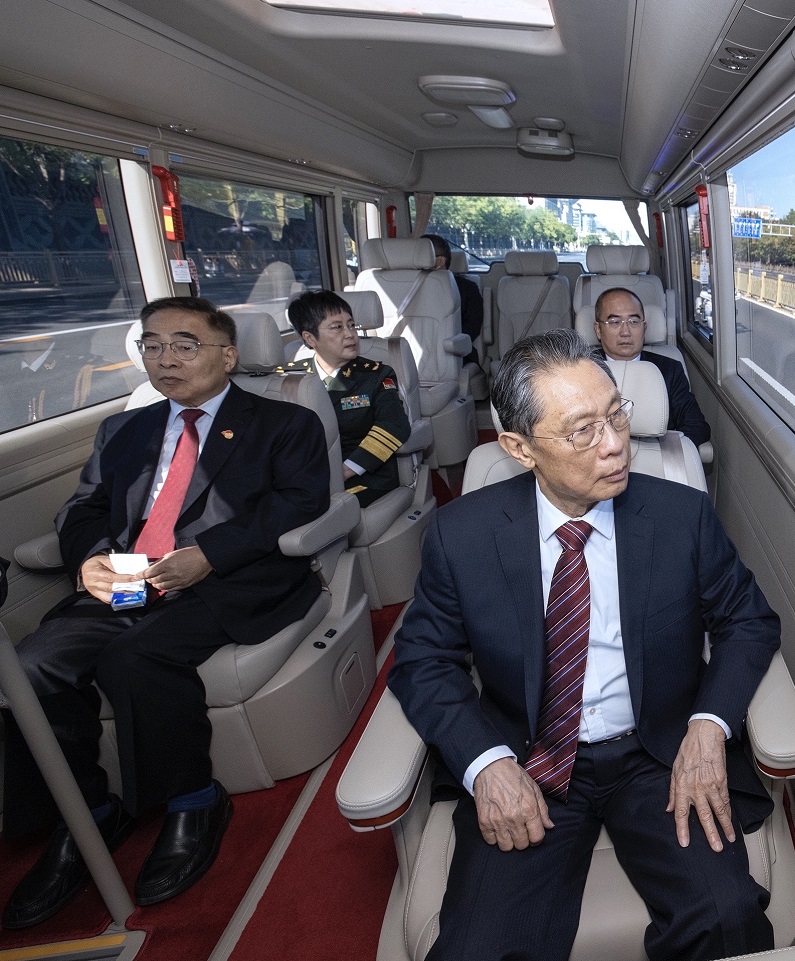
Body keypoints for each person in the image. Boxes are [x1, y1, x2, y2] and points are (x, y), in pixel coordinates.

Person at [389, 329, 778, 961]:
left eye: (616, 415)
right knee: (477, 949)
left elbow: (749, 622)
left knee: (726, 917)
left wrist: (709, 727)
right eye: (582, 431)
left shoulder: (681, 516)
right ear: (519, 448)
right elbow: (422, 659)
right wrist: (485, 762)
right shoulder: (463, 534)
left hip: (657, 754)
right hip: (529, 760)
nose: (616, 443)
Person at [2, 297, 329, 927]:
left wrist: (208, 555)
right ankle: (85, 814)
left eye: (184, 345)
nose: (165, 358)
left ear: (228, 356)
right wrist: (90, 562)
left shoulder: (285, 422)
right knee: (29, 667)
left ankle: (193, 800)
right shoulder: (123, 430)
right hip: (129, 583)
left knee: (136, 658)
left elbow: (296, 502)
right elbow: (83, 508)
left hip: (228, 580)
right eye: (152, 346)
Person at [284, 290, 412, 507]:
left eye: (351, 325)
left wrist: (343, 471)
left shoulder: (376, 375)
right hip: (305, 480)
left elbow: (394, 425)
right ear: (310, 338)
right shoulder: (291, 380)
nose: (350, 334)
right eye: (337, 327)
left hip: (363, 478)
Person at [593, 287, 711, 448]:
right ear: (598, 330)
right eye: (614, 322)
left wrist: (657, 453)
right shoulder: (582, 370)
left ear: (644, 327)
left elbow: (697, 427)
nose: (625, 332)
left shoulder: (669, 369)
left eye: (634, 322)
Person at [422, 233, 483, 366]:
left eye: (421, 256)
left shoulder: (467, 289)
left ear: (440, 261)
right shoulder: (408, 289)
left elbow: (472, 329)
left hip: (455, 355)